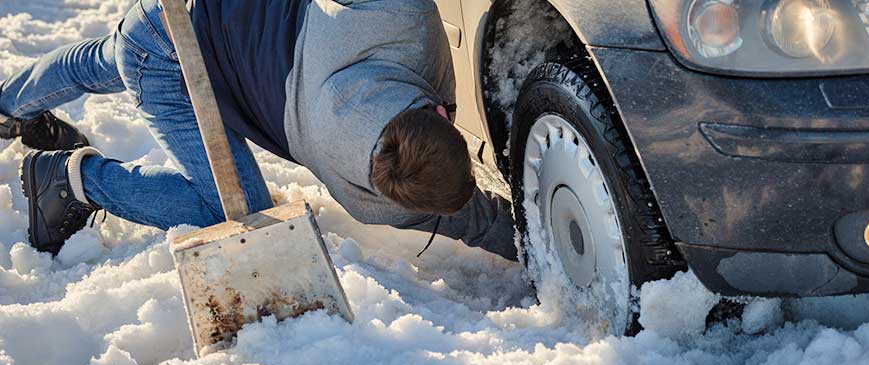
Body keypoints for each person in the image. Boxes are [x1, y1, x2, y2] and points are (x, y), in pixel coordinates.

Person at [0, 0, 518, 261]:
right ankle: (73, 181)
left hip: (188, 17)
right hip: (173, 53)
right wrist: (539, 250)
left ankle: (9, 101)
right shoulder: (377, 203)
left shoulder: (396, 17)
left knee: (111, 55)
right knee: (234, 210)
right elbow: (477, 222)